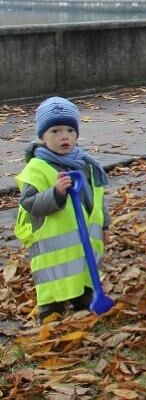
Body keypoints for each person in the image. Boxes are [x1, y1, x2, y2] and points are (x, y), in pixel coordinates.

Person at [15, 96, 110, 321]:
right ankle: (51, 307)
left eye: (70, 130)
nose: (64, 136)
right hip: (53, 248)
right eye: (55, 131)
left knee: (84, 269)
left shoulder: (87, 164)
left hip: (85, 239)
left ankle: (84, 297)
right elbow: (30, 204)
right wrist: (56, 194)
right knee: (54, 279)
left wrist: (105, 224)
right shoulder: (37, 168)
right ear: (42, 137)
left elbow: (97, 197)